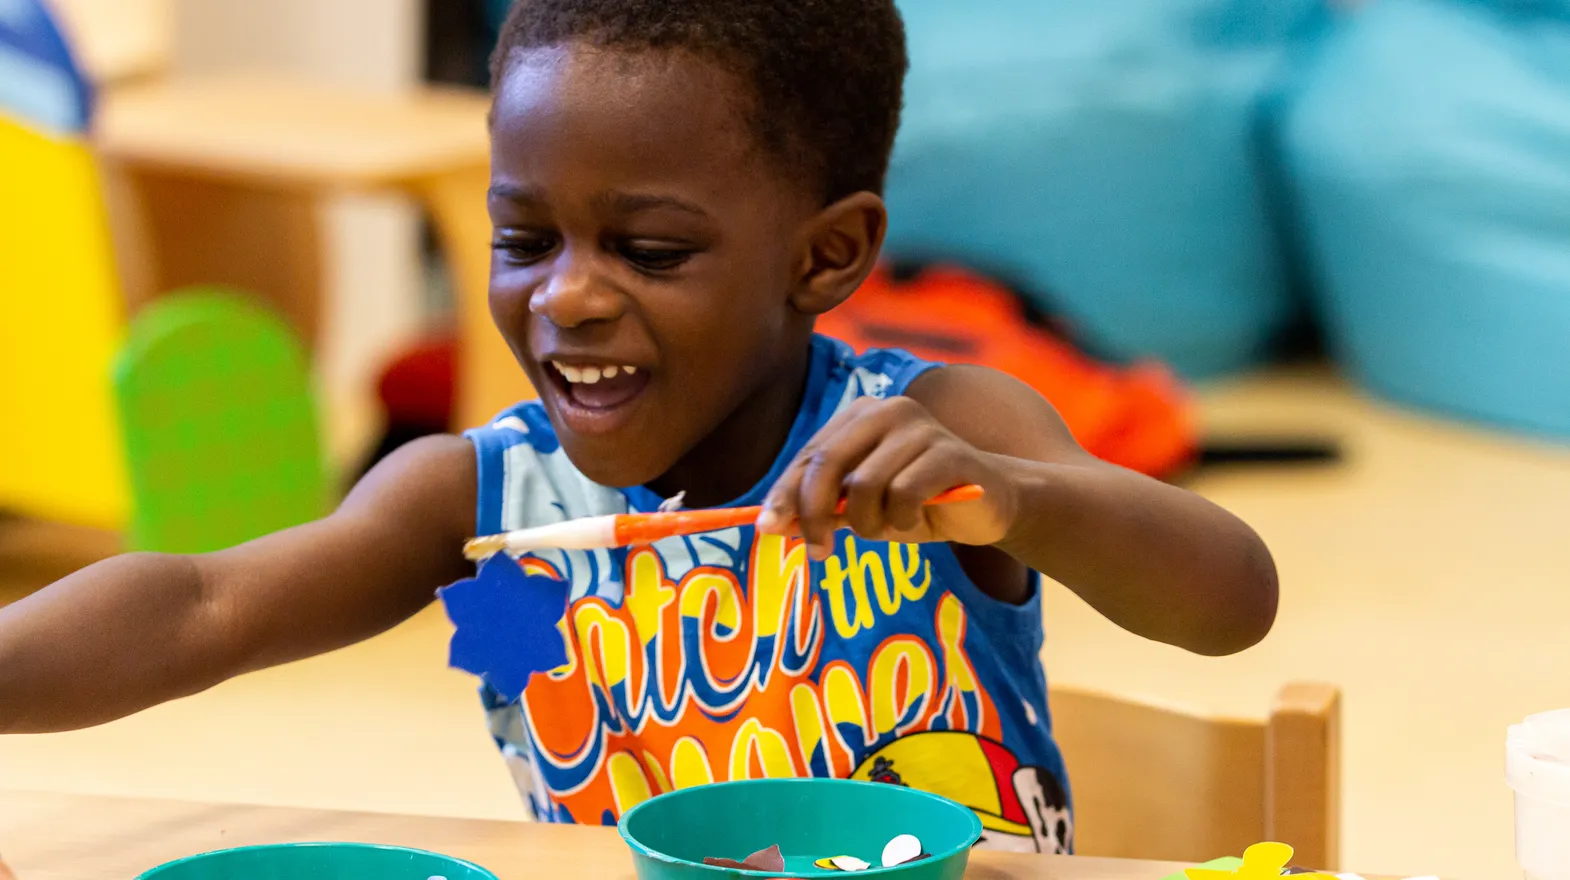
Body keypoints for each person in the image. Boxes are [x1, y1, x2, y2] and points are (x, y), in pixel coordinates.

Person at [0, 0, 1277, 855]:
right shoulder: (473, 499)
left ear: (826, 256)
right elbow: (201, 606)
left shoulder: (940, 425)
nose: (565, 295)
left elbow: (1232, 599)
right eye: (521, 240)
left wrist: (1020, 497)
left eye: (650, 250)